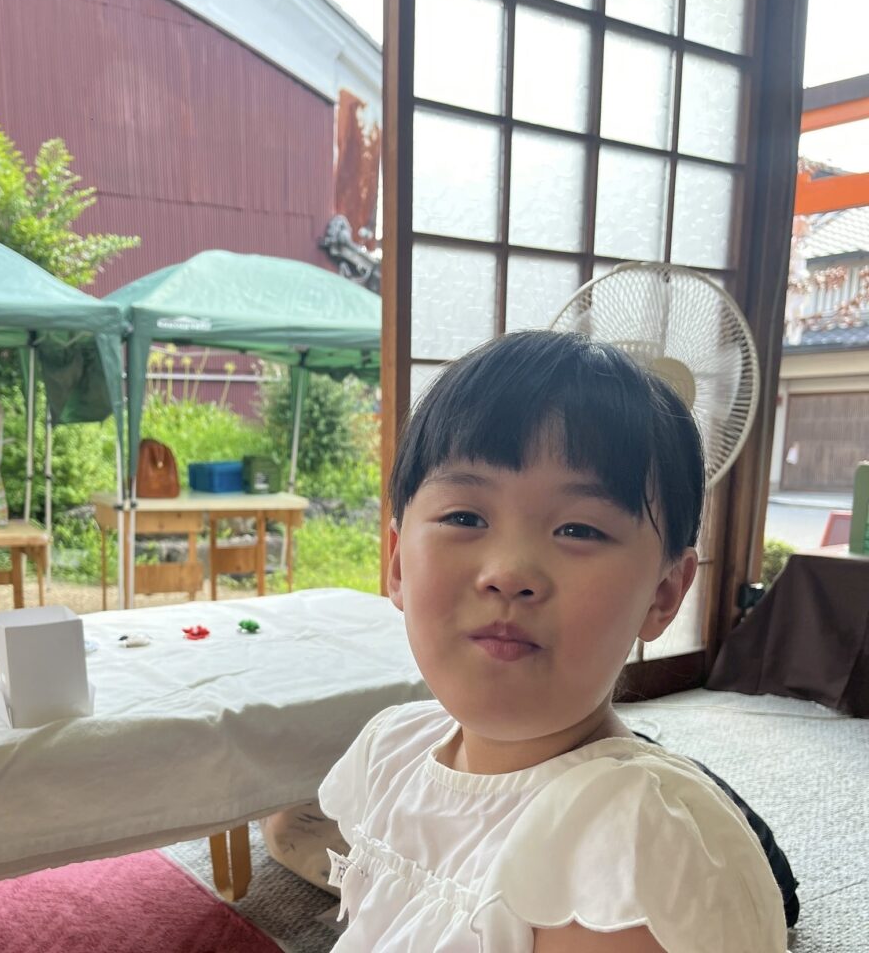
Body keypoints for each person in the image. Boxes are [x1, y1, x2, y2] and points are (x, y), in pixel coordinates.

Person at [319, 331, 788, 952]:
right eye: (465, 517)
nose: (509, 572)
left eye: (579, 529)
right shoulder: (392, 751)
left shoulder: (629, 853)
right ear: (399, 563)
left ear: (663, 593)